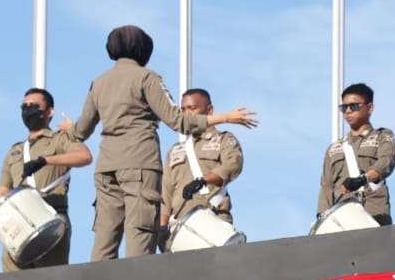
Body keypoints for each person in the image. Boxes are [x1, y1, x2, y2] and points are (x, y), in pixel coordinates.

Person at [72, 25, 257, 260]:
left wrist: (70, 130)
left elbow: (81, 130)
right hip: (139, 162)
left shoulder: (98, 83)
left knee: (105, 234)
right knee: (140, 232)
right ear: (142, 50)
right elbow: (178, 120)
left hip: (106, 166)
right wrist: (225, 117)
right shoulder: (147, 78)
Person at [0, 87, 92, 271]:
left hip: (51, 219)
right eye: (25, 106)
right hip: (19, 225)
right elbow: (3, 190)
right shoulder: (15, 151)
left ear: (49, 111)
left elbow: (84, 156)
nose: (29, 110)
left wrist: (46, 161)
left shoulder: (58, 140)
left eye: (34, 106)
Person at [160, 88, 245, 244]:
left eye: (192, 108)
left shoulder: (222, 139)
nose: (187, 114)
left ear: (209, 110)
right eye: (183, 109)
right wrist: (162, 228)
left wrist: (203, 181)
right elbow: (166, 192)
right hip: (180, 228)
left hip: (213, 220)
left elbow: (233, 164)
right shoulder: (175, 151)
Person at [317, 83, 395, 225]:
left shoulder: (383, 137)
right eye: (344, 107)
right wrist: (322, 220)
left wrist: (363, 179)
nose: (348, 111)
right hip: (342, 220)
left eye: (353, 106)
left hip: (373, 216)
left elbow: (386, 161)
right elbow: (326, 187)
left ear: (370, 107)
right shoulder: (334, 149)